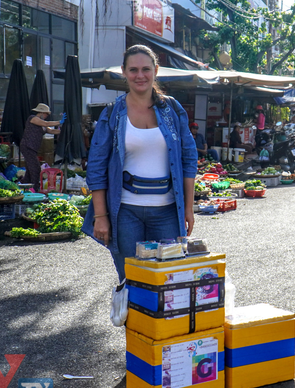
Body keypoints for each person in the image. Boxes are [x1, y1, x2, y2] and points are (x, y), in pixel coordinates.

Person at [83, 44, 198, 283]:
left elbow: (188, 160)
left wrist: (188, 207)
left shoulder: (172, 110)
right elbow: (96, 166)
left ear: (156, 70)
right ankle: (132, 322)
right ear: (123, 72)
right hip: (125, 212)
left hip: (167, 211)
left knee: (169, 280)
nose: (140, 75)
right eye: (133, 69)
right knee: (131, 280)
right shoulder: (113, 113)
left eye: (146, 69)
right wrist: (101, 215)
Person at [21, 103, 60, 191]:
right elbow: (46, 123)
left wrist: (63, 130)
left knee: (30, 169)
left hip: (33, 148)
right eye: (46, 114)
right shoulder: (33, 118)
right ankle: (34, 189)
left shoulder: (42, 125)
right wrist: (59, 122)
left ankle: (25, 188)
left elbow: (52, 130)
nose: (47, 116)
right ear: (41, 113)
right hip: (27, 146)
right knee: (35, 168)